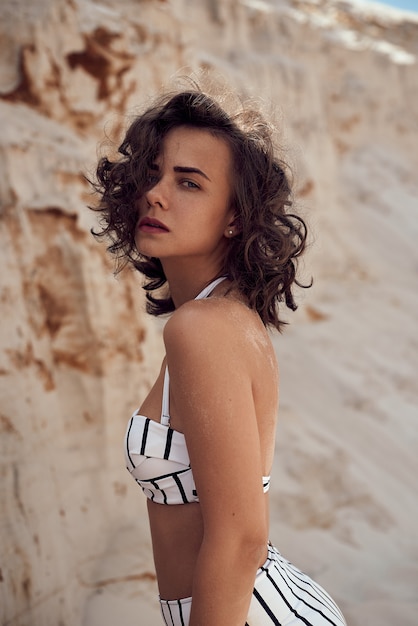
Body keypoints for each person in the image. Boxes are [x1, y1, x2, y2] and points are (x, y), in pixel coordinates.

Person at [91, 83, 347, 626]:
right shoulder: (224, 316)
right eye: (154, 174)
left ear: (235, 216)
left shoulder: (202, 328)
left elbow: (241, 539)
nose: (156, 194)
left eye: (189, 183)